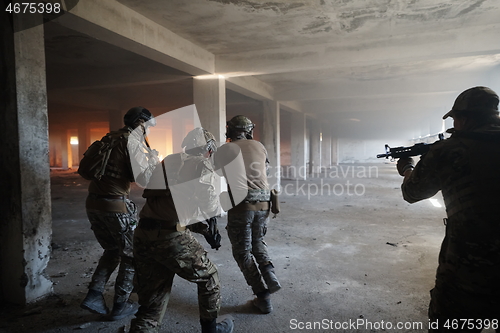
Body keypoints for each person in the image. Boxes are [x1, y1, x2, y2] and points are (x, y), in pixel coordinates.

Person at [396, 86, 500, 332]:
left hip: (470, 269)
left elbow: (412, 193)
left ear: (464, 118)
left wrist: (408, 168)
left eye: (455, 119)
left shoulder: (450, 151)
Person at [129, 128, 234, 333]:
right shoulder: (201, 164)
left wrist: (201, 228)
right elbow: (210, 205)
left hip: (143, 234)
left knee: (154, 298)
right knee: (209, 277)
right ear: (210, 149)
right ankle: (211, 329)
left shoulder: (169, 160)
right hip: (169, 237)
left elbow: (167, 202)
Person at [81, 106, 159, 320]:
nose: (148, 131)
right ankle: (120, 306)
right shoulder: (132, 141)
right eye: (148, 126)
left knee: (112, 251)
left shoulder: (110, 138)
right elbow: (142, 179)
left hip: (94, 204)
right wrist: (152, 160)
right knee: (131, 255)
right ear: (141, 122)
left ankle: (94, 294)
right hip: (115, 207)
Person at [214, 115, 281, 314]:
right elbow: (265, 171)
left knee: (242, 252)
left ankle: (262, 296)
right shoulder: (259, 146)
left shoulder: (226, 149)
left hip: (241, 205)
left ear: (230, 131)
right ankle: (270, 275)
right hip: (264, 202)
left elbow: (216, 172)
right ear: (249, 130)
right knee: (258, 242)